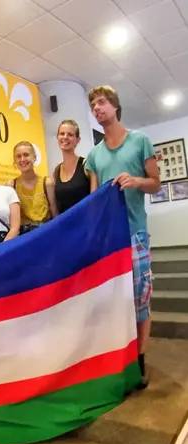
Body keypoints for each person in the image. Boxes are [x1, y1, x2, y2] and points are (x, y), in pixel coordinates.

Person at [85, 85, 161, 390]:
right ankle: (120, 360)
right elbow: (94, 199)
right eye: (93, 105)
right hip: (109, 241)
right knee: (115, 303)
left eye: (102, 102)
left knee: (141, 300)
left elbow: (155, 183)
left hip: (135, 234)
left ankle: (140, 361)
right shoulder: (93, 156)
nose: (97, 108)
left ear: (115, 106)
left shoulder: (140, 141)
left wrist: (136, 181)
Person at [11, 141, 58, 234]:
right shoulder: (12, 185)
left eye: (26, 155)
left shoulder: (47, 183)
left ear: (35, 157)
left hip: (44, 233)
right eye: (18, 156)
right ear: (15, 160)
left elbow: (55, 213)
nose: (22, 159)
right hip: (23, 236)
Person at [53, 120, 96, 213]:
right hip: (66, 221)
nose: (65, 137)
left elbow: (95, 201)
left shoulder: (86, 165)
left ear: (77, 140)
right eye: (62, 134)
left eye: (70, 135)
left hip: (86, 220)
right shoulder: (57, 171)